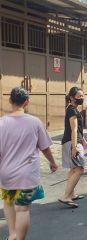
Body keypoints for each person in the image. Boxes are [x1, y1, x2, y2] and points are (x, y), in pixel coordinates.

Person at [0, 87, 58, 240]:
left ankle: (12, 234)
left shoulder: (1, 123)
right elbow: (44, 147)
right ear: (27, 102)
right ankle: (19, 238)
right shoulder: (34, 122)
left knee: (8, 202)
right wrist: (53, 162)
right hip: (26, 174)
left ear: (10, 101)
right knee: (23, 209)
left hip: (6, 173)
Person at [59, 87, 87, 208]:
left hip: (73, 141)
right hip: (71, 142)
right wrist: (75, 146)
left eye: (82, 96)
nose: (81, 98)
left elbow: (79, 130)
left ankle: (71, 194)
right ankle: (66, 196)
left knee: (73, 168)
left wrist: (84, 141)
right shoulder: (72, 111)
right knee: (79, 168)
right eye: (79, 96)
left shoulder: (73, 109)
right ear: (72, 97)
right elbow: (74, 129)